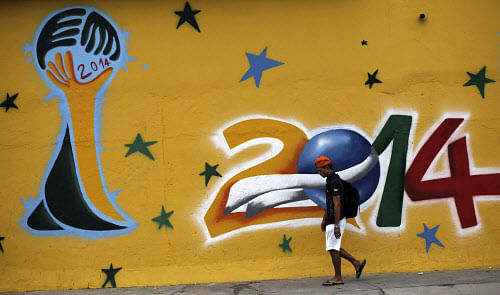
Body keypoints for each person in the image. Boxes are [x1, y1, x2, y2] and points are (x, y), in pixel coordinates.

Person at [315, 156, 366, 286]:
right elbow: (330, 203)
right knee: (333, 247)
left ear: (327, 168)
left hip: (336, 219)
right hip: (332, 219)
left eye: (320, 170)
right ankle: (356, 263)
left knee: (332, 247)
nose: (319, 173)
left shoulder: (334, 182)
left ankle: (338, 277)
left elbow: (337, 204)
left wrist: (336, 225)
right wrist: (324, 219)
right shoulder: (330, 181)